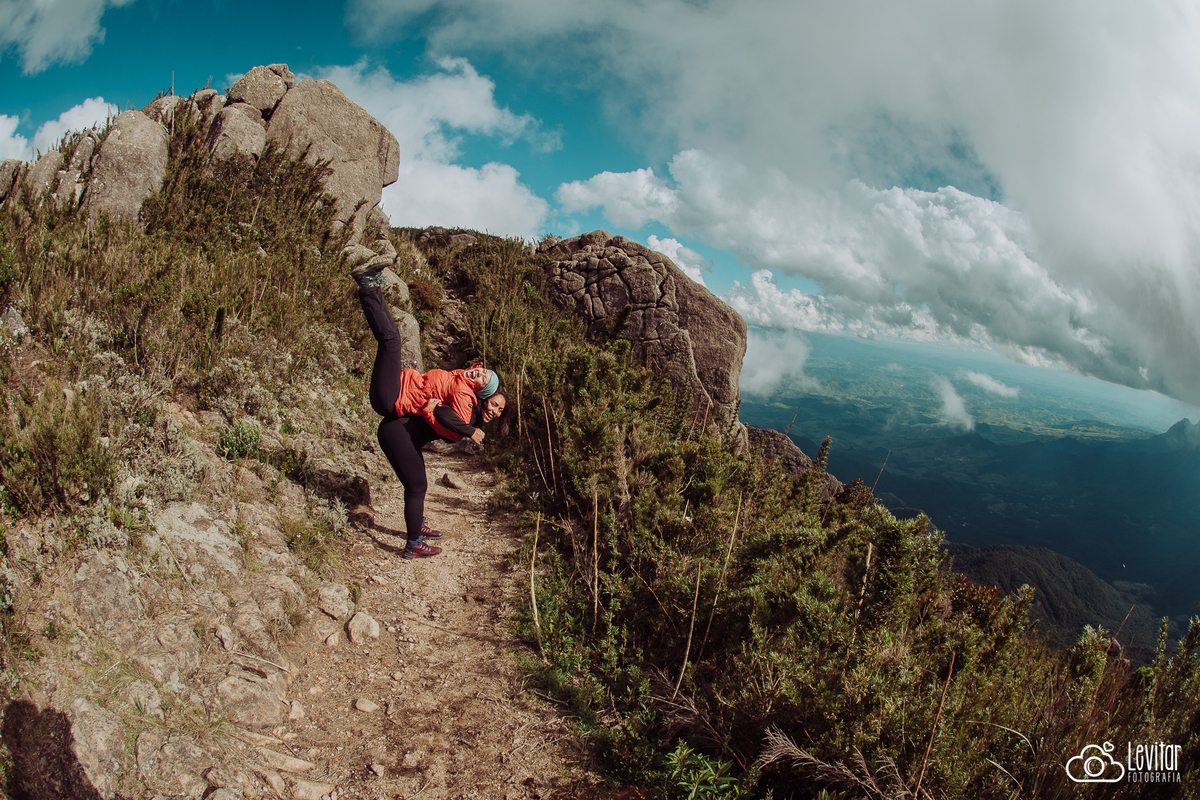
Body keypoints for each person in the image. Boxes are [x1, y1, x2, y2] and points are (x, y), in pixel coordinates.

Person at [352, 259, 507, 559]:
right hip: (393, 401)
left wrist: (461, 425)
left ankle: (371, 287)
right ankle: (413, 544)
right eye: (483, 371)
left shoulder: (466, 397)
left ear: (483, 393)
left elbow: (449, 417)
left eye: (485, 379)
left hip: (394, 407)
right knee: (392, 339)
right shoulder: (463, 384)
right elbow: (451, 417)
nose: (480, 374)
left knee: (418, 481)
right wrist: (467, 429)